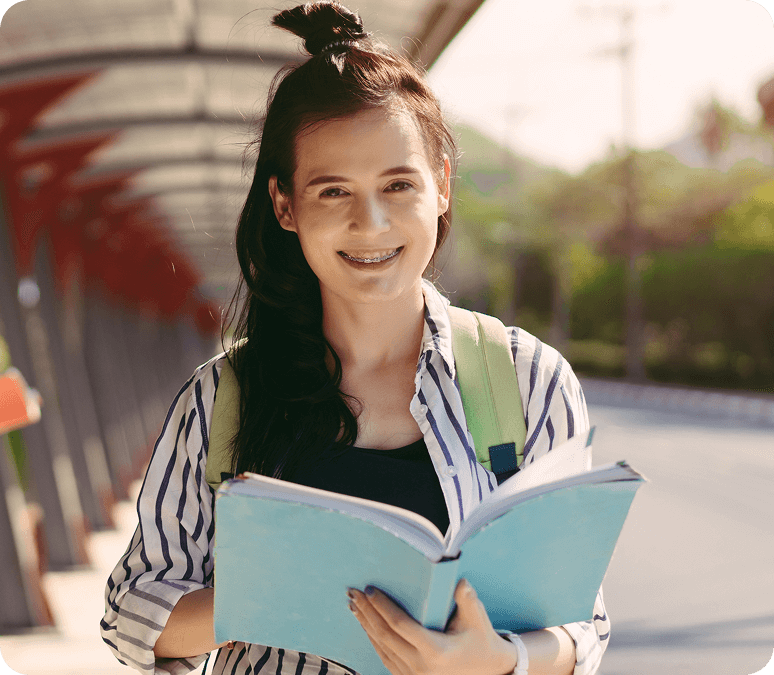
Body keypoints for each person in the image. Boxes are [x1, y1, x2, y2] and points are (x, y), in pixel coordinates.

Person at [100, 2, 610, 674]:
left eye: (398, 184)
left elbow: (582, 622)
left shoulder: (527, 380)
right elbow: (131, 612)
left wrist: (498, 658)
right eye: (334, 191)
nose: (371, 224)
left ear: (442, 186)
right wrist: (269, 595)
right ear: (285, 205)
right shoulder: (225, 397)